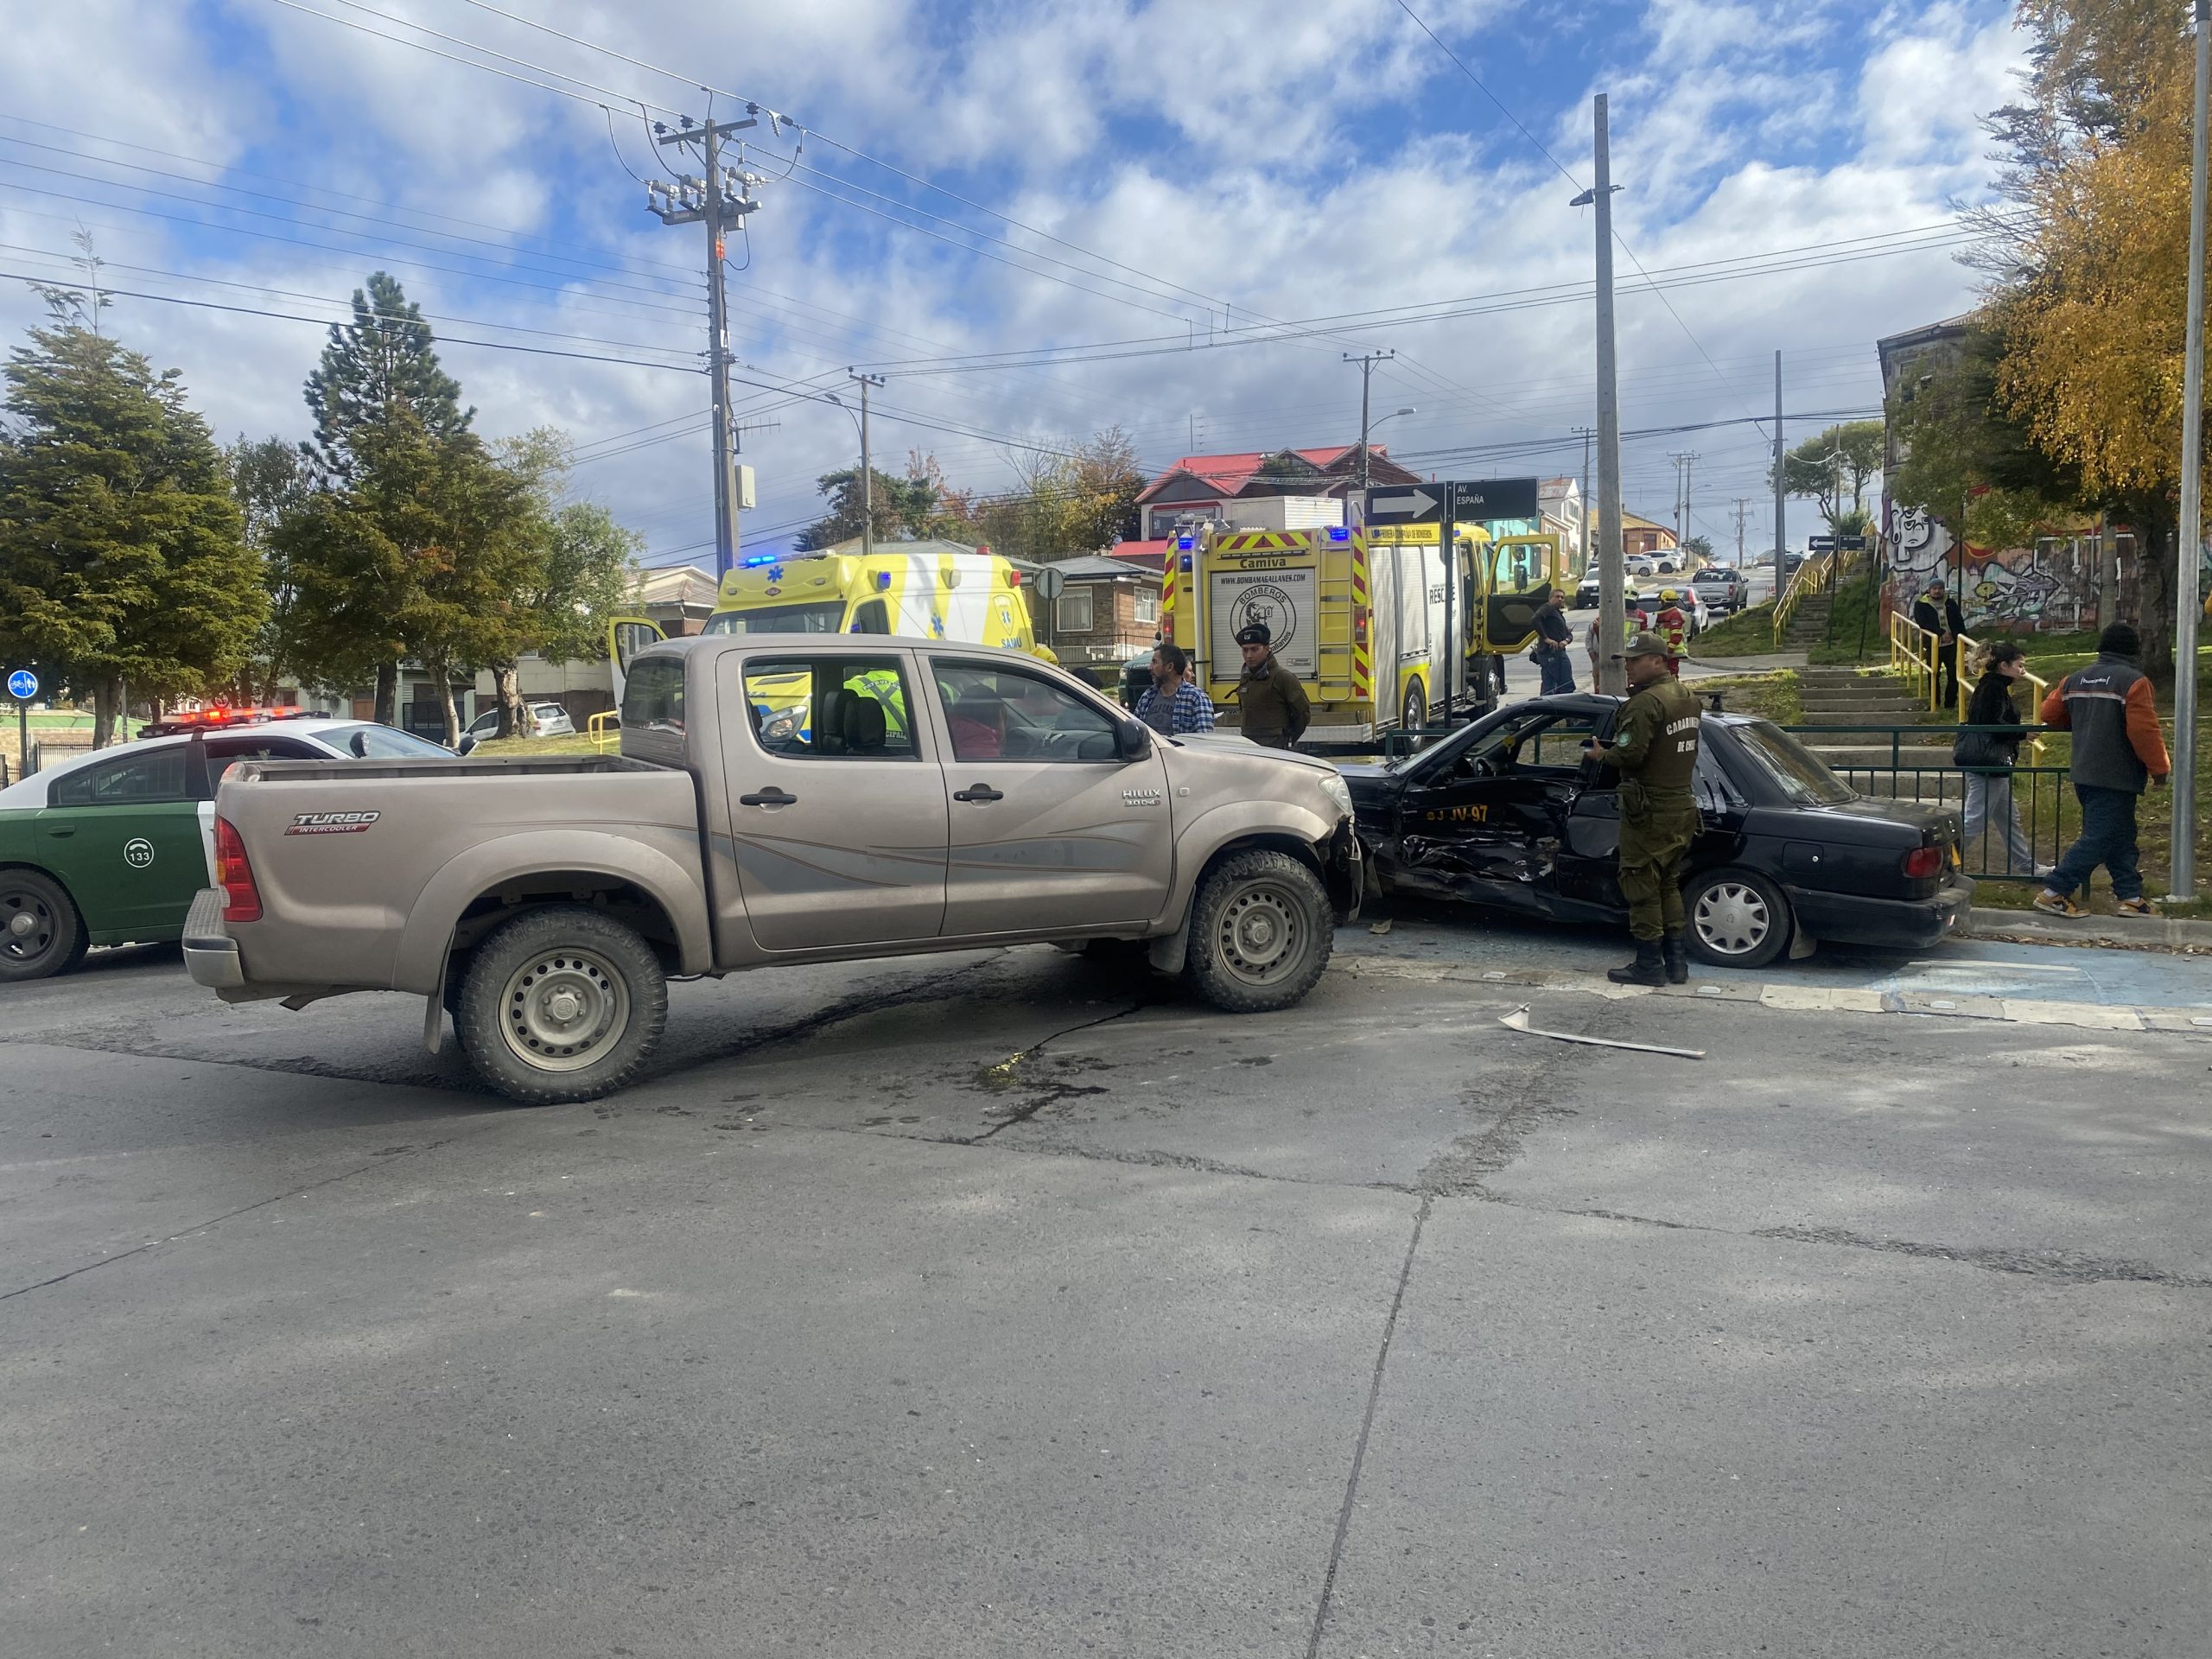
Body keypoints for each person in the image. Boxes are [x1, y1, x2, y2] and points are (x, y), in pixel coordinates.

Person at [1583, 632, 1704, 986]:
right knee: (1668, 884)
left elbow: (1630, 755)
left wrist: (1601, 754)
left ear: (1657, 661)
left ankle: (1649, 964)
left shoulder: (1644, 704)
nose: (1629, 668)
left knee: (1641, 884)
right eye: (1627, 662)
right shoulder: (1686, 697)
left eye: (1635, 661)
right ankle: (1677, 964)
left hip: (1648, 808)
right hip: (1681, 804)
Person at [2032, 622, 2171, 918]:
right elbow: (2144, 731)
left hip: (2083, 770)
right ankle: (2054, 892)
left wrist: (2082, 720)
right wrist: (2159, 769)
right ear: (2133, 650)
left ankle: (2131, 897)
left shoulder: (2074, 679)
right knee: (2098, 838)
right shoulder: (2134, 682)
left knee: (2119, 837)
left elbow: (2049, 714)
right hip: (2117, 774)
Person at [1954, 642, 2044, 878]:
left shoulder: (1994, 686)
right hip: (1988, 764)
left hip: (1992, 763)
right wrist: (2022, 733)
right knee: (1974, 820)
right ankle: (1940, 862)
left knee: (2008, 820)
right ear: (2004, 666)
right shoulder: (1993, 688)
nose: (2023, 670)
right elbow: (1991, 725)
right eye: (2019, 665)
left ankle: (2026, 867)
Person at [1232, 621, 1310, 748]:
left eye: (1254, 649)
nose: (1249, 655)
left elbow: (1302, 713)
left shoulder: (1283, 677)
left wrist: (1288, 739)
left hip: (1275, 747)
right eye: (1245, 650)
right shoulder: (1246, 677)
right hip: (1249, 745)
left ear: (1267, 649)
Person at [1134, 643, 1216, 737]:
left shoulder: (1196, 698)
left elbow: (1204, 741)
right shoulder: (1147, 696)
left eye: (1154, 662)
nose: (1149, 667)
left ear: (1170, 667)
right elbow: (1135, 733)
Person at [1912, 580, 1967, 709]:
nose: (1937, 591)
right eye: (1934, 588)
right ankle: (1934, 703)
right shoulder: (1921, 605)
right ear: (1930, 590)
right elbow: (1923, 622)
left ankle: (1950, 704)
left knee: (1954, 675)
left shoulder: (1950, 603)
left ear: (1943, 590)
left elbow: (1959, 621)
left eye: (1940, 588)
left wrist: (1964, 639)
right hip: (1933, 644)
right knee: (1933, 674)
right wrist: (1941, 633)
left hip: (1952, 645)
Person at [1530, 590, 1575, 696]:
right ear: (1551, 598)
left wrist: (1566, 641)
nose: (1560, 599)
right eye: (1557, 596)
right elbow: (1535, 620)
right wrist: (1546, 638)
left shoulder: (1558, 615)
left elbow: (1568, 634)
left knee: (1567, 685)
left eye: (1562, 597)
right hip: (1549, 653)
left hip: (1560, 653)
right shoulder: (1548, 607)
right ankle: (1547, 709)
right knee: (1550, 687)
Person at [1651, 589, 1690, 679]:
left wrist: (1669, 651)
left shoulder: (1674, 615)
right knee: (1664, 672)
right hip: (1664, 649)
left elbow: (1676, 636)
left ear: (1664, 601)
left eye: (1661, 601)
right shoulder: (1665, 614)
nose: (1660, 603)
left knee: (1671, 672)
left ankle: (1674, 690)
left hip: (1671, 651)